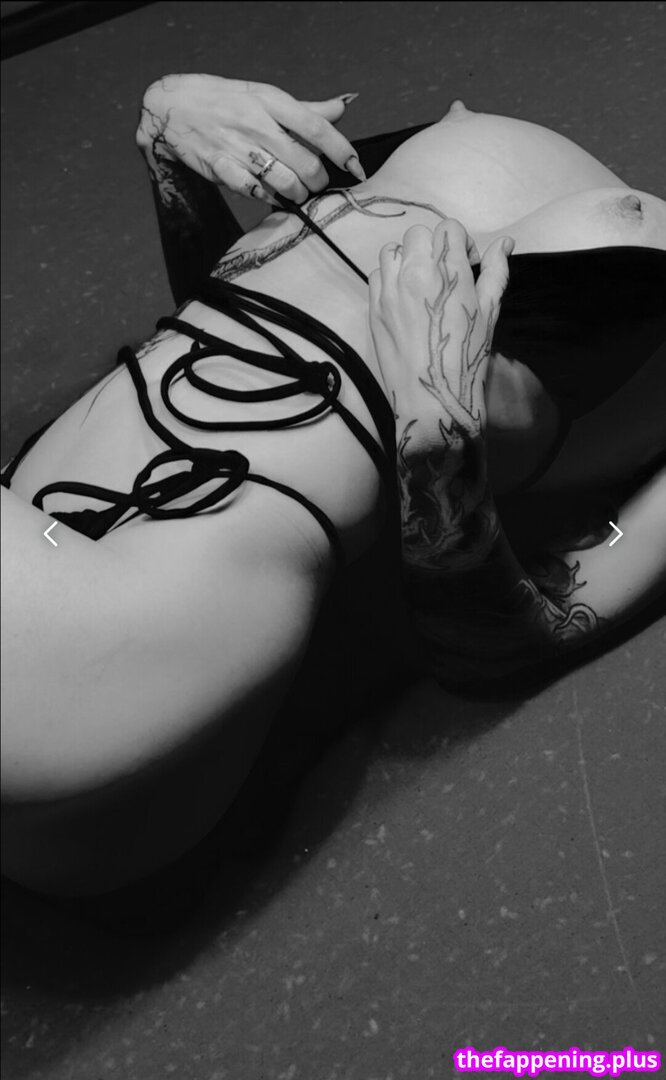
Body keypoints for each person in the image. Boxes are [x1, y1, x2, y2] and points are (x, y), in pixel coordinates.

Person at [2, 75, 665, 899]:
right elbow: (262, 324)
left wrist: (437, 438)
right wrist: (173, 154)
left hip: (130, 638)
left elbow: (513, 638)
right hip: (66, 574)